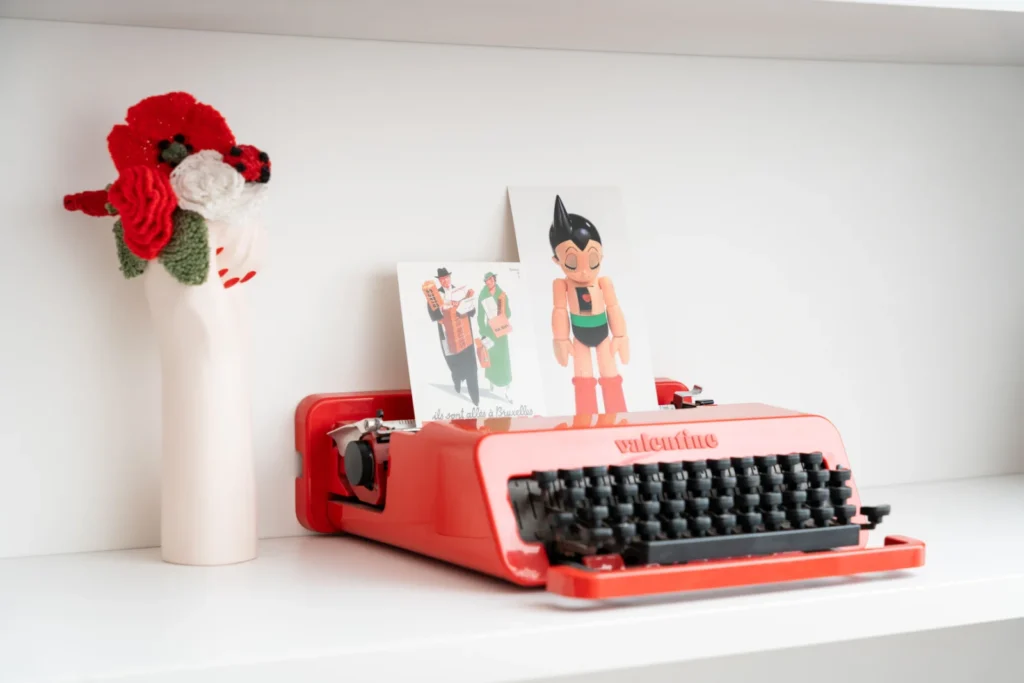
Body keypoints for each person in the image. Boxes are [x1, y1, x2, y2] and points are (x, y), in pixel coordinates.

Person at [549, 195, 629, 414]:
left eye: (592, 260)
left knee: (609, 373)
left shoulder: (604, 282)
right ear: (557, 261)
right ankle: (586, 419)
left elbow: (613, 308)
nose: (584, 272)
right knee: (583, 377)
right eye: (572, 262)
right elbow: (559, 311)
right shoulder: (562, 285)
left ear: (601, 256)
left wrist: (620, 335)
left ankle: (618, 416)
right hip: (579, 336)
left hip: (603, 334)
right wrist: (561, 339)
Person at [426, 267, 480, 406]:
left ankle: (475, 398)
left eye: (447, 278)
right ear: (439, 280)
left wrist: (468, 300)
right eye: (442, 279)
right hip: (447, 333)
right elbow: (433, 315)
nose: (445, 281)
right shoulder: (435, 295)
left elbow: (472, 312)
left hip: (464, 334)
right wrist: (442, 313)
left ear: (450, 277)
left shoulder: (460, 292)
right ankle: (457, 380)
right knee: (453, 362)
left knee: (471, 365)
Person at [477, 271, 513, 402]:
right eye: (487, 280)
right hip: (489, 331)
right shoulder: (482, 295)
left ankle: (506, 385)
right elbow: (480, 316)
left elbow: (508, 313)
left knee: (503, 358)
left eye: (491, 279)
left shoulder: (502, 294)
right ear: (485, 282)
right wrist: (483, 332)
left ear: (494, 279)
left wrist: (502, 312)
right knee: (491, 358)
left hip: (501, 331)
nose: (489, 282)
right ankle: (492, 383)